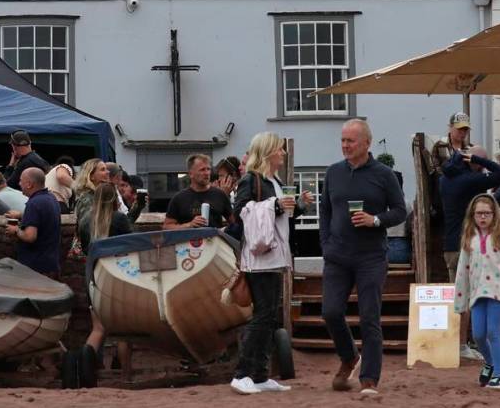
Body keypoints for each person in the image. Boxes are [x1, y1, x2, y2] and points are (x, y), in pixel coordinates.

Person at [320, 119, 407, 396]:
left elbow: (400, 211)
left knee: (369, 317)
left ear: (367, 143)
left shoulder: (384, 175)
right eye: (343, 140)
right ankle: (349, 357)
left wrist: (375, 220)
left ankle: (369, 379)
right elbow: (325, 212)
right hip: (337, 255)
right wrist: (325, 243)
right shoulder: (333, 173)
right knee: (331, 312)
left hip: (371, 256)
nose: (345, 145)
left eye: (351, 141)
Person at [230, 132, 304, 395]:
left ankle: (260, 375)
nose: (283, 153)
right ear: (269, 152)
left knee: (270, 315)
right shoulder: (251, 179)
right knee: (262, 315)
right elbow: (241, 211)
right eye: (279, 150)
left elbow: (280, 215)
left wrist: (298, 206)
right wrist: (275, 205)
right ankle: (241, 374)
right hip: (259, 258)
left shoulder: (274, 180)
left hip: (274, 256)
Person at [441, 145, 500, 360]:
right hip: (463, 246)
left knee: (462, 296)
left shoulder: (445, 178)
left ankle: (463, 343)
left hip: (450, 244)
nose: (483, 170)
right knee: (465, 298)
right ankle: (461, 346)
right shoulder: (469, 180)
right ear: (473, 162)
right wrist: (480, 160)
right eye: (482, 163)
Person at [453, 194, 500, 390]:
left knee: (493, 332)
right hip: (478, 293)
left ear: (494, 215)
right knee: (478, 335)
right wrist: (460, 302)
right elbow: (463, 271)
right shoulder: (469, 240)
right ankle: (490, 363)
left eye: (487, 213)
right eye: (479, 214)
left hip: (499, 292)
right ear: (473, 215)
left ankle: (499, 375)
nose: (483, 217)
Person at [79, 182, 133, 379]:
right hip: (119, 276)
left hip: (94, 276)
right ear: (115, 199)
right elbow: (132, 244)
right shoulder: (119, 219)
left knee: (98, 329)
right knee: (123, 331)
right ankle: (126, 375)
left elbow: (85, 249)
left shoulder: (85, 220)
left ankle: (84, 372)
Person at [6, 168, 62, 277]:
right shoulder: (51, 198)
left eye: (21, 180)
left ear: (29, 184)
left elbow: (30, 237)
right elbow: (43, 217)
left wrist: (16, 230)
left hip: (35, 267)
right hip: (51, 263)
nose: (19, 183)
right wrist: (22, 215)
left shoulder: (34, 204)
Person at [164, 154, 233, 230]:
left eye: (208, 169)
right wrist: (189, 225)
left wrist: (224, 231)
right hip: (188, 241)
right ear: (191, 174)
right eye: (202, 170)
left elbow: (234, 222)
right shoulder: (179, 198)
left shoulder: (220, 195)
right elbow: (167, 227)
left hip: (214, 241)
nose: (207, 173)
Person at [73, 158, 108, 227]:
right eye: (103, 169)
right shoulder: (87, 199)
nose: (107, 172)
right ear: (91, 176)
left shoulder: (101, 195)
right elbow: (86, 226)